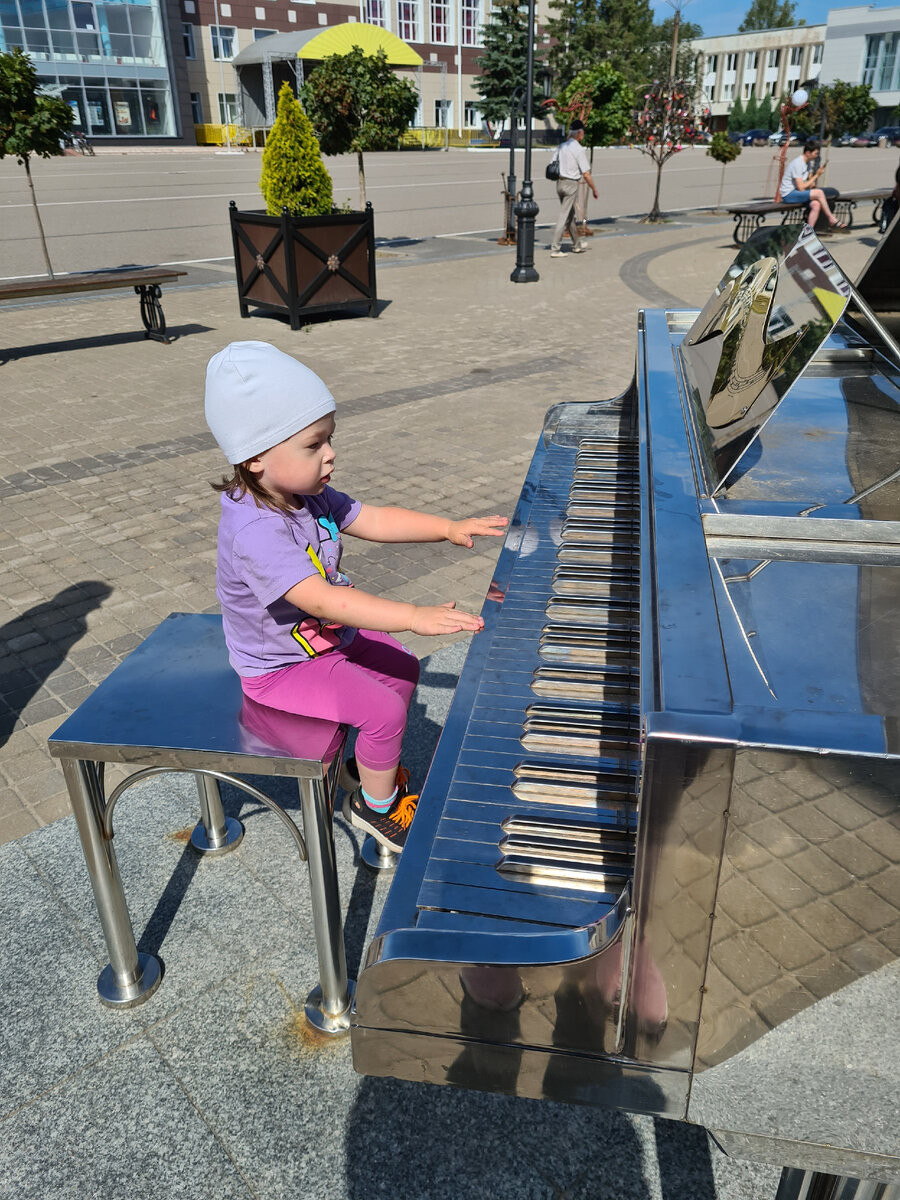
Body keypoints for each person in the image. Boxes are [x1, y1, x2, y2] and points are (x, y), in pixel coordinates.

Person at [204, 341, 507, 853]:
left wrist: (447, 527)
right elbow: (321, 599)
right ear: (255, 457)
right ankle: (376, 807)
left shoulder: (307, 494)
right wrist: (411, 615)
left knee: (403, 668)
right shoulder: (255, 529)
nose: (331, 454)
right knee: (384, 712)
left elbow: (375, 518)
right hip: (280, 667)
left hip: (324, 641)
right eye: (313, 445)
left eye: (330, 439)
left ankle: (365, 767)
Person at [549, 119, 599, 258]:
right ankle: (555, 248)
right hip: (571, 184)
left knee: (570, 216)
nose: (583, 135)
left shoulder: (561, 146)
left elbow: (552, 164)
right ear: (579, 133)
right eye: (582, 132)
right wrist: (594, 189)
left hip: (559, 183)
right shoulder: (577, 148)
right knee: (564, 216)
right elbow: (586, 173)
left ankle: (577, 245)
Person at [778, 138, 847, 231]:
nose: (816, 156)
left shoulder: (807, 163)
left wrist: (816, 176)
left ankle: (809, 231)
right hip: (789, 194)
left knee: (816, 204)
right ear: (807, 153)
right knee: (819, 193)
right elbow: (801, 187)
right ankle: (831, 219)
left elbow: (810, 183)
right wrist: (817, 176)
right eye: (815, 153)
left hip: (797, 193)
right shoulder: (798, 164)